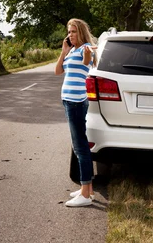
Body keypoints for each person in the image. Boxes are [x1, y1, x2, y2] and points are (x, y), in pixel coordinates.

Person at [55, 18, 97, 207]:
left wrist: (87, 53)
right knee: (79, 144)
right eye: (69, 32)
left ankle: (85, 195)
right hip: (68, 101)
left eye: (73, 32)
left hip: (77, 102)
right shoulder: (71, 50)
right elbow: (58, 71)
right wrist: (64, 51)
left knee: (80, 147)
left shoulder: (85, 49)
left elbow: (87, 61)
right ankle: (87, 190)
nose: (70, 35)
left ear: (80, 32)